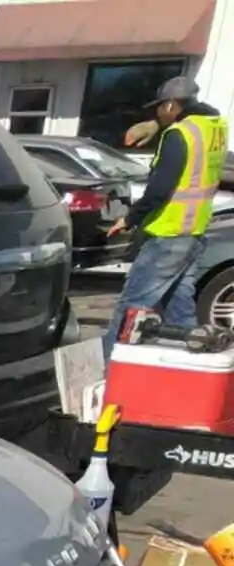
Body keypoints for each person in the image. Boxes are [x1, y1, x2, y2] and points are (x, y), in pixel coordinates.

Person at [102, 76, 228, 360]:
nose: (156, 112)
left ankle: (109, 369)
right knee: (178, 308)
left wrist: (130, 218)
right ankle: (191, 366)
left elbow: (160, 188)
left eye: (159, 108)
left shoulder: (179, 134)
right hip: (193, 232)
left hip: (168, 234)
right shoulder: (215, 127)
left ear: (171, 104)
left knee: (132, 307)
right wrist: (158, 125)